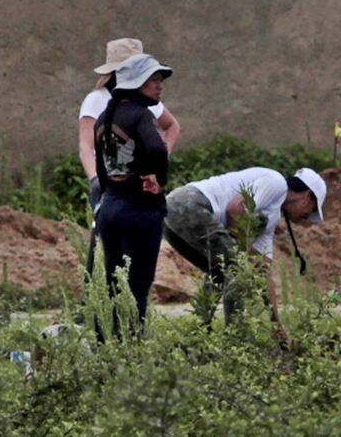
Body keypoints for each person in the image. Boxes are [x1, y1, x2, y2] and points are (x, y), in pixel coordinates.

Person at [163, 167, 326, 327]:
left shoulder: (271, 217)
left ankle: (196, 331)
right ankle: (235, 334)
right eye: (310, 212)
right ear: (307, 196)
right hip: (190, 205)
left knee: (220, 271)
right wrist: (243, 249)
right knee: (238, 270)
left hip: (171, 218)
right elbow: (235, 210)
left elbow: (263, 270)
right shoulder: (276, 183)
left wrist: (276, 326)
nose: (306, 218)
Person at [93, 53, 174, 330]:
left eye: (160, 79)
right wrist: (159, 179)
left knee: (113, 285)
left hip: (110, 210)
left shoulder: (103, 119)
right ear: (137, 83)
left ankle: (107, 348)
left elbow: (101, 170)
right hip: (139, 212)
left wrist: (111, 194)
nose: (159, 85)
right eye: (153, 79)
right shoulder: (140, 115)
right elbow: (157, 149)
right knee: (136, 288)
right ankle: (131, 351)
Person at [80, 38, 180, 210]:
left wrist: (161, 159)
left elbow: (172, 126)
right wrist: (95, 179)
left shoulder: (148, 102)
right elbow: (86, 146)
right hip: (112, 184)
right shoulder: (97, 99)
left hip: (143, 184)